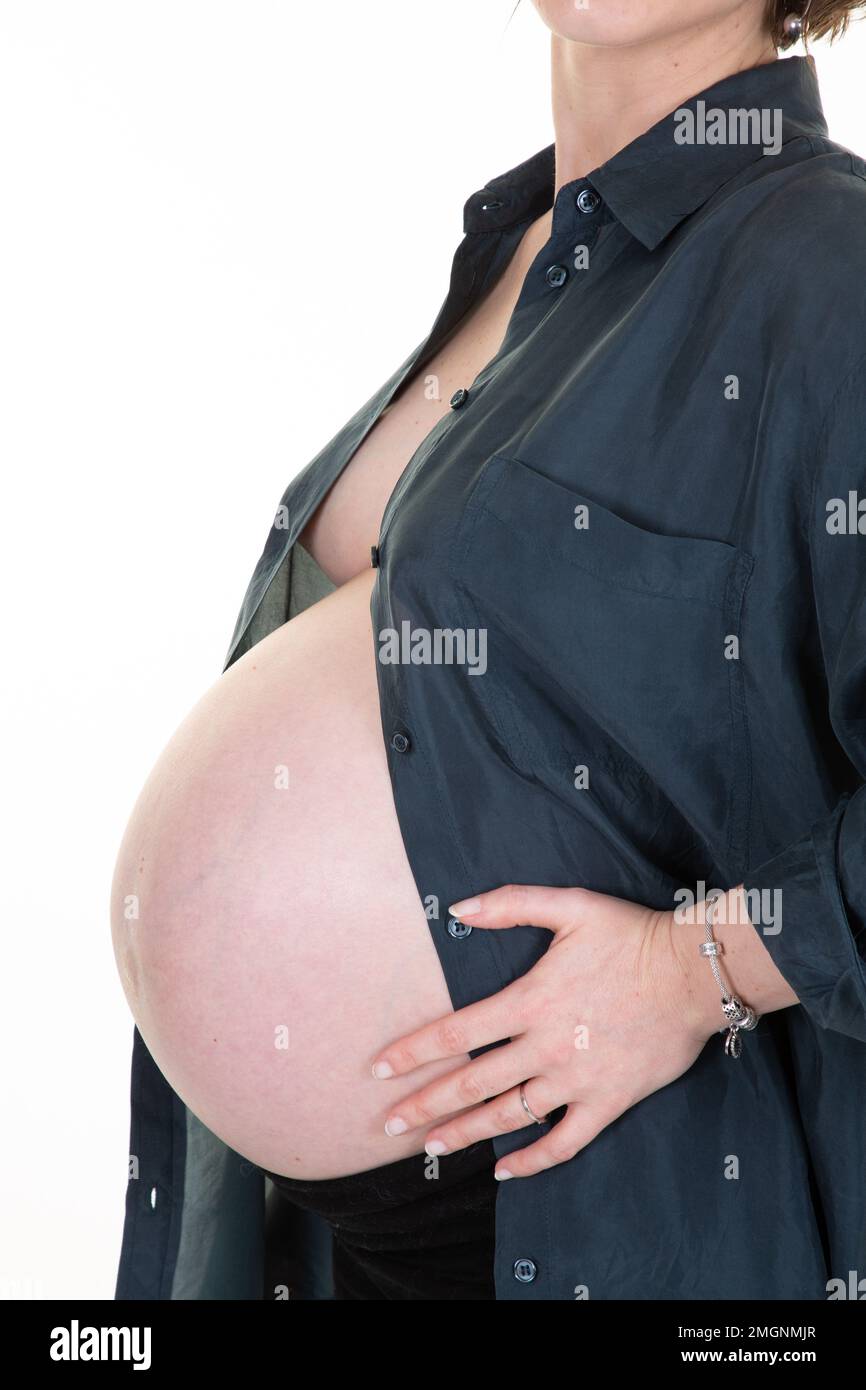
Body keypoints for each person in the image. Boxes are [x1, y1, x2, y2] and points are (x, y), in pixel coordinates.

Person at [113, 0, 866, 1301]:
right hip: (328, 1237)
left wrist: (696, 973)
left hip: (593, 1205)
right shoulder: (514, 251)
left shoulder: (827, 264)